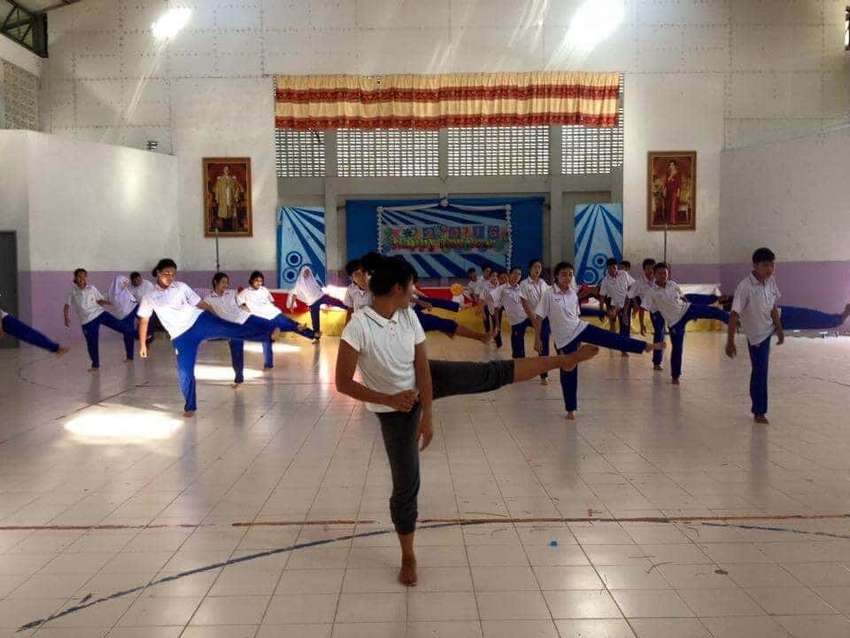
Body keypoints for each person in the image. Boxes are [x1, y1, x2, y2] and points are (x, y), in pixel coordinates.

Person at [335, 252, 600, 587]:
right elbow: (343, 383)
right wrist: (390, 399)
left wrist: (428, 414)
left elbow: (422, 369)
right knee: (406, 484)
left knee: (490, 373)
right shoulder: (358, 326)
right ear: (399, 288)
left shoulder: (408, 317)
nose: (416, 291)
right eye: (412, 286)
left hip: (423, 384)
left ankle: (563, 360)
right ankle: (408, 554)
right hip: (392, 409)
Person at [137, 259, 276, 416]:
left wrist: (216, 317)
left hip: (198, 320)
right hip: (180, 336)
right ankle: (190, 407)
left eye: (173, 274)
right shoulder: (149, 296)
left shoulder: (181, 287)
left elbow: (200, 304)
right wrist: (143, 344)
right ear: (158, 273)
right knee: (184, 371)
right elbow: (144, 320)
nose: (170, 277)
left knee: (231, 329)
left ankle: (266, 333)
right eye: (166, 273)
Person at [534, 262, 664, 420]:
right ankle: (570, 409)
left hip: (579, 328)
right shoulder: (548, 294)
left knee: (610, 338)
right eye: (563, 274)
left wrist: (599, 315)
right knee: (568, 371)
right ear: (556, 276)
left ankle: (645, 346)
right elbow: (539, 317)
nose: (567, 278)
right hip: (563, 339)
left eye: (570, 274)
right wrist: (538, 338)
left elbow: (575, 315)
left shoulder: (572, 293)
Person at [643, 262, 729, 385]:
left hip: (687, 310)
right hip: (674, 322)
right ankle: (675, 376)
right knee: (677, 348)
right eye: (660, 274)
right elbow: (649, 308)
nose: (663, 276)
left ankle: (731, 320)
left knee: (712, 311)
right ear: (655, 275)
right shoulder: (651, 292)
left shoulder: (672, 284)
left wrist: (693, 312)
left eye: (665, 273)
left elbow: (683, 298)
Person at [725, 248, 784, 425]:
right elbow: (734, 315)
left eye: (772, 265)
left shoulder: (771, 281)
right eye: (766, 265)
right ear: (755, 266)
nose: (770, 269)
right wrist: (730, 341)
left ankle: (835, 318)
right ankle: (759, 411)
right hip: (757, 336)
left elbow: (773, 306)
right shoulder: (745, 287)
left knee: (808, 316)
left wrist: (779, 328)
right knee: (760, 372)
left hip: (770, 327)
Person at [237, 271, 315, 368]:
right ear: (252, 280)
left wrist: (274, 310)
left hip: (274, 313)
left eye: (261, 281)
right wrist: (249, 311)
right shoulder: (245, 292)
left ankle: (312, 334)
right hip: (261, 318)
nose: (259, 283)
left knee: (292, 324)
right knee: (267, 339)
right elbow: (240, 304)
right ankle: (268, 363)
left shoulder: (264, 290)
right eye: (257, 281)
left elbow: (271, 301)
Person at [64, 268, 134, 370]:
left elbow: (99, 300)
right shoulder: (72, 292)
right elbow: (66, 306)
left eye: (84, 276)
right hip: (87, 321)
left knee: (123, 327)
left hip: (100, 314)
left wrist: (109, 303)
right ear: (75, 277)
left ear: (86, 277)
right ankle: (95, 365)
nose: (82, 278)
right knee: (92, 343)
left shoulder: (92, 288)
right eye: (79, 276)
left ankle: (131, 354)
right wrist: (66, 317)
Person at [203, 272, 264, 386]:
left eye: (227, 282)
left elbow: (242, 305)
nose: (226, 285)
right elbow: (206, 314)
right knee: (236, 349)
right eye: (223, 282)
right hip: (227, 327)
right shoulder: (208, 299)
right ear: (216, 282)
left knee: (238, 348)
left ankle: (239, 376)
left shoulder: (232, 293)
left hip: (241, 321)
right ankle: (239, 375)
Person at [411, 279, 490, 344]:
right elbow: (403, 296)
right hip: (408, 311)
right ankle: (480, 337)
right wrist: (420, 302)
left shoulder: (406, 279)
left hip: (413, 305)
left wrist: (427, 299)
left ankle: (459, 306)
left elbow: (415, 291)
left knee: (437, 302)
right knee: (439, 322)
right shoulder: (400, 280)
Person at [285, 265, 348, 340]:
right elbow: (294, 294)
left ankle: (347, 306)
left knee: (334, 301)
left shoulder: (311, 279)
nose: (307, 274)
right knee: (315, 320)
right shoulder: (299, 284)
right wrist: (292, 305)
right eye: (305, 272)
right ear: (302, 273)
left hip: (320, 297)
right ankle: (317, 336)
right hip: (312, 303)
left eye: (308, 272)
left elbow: (318, 288)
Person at [628, 258, 665, 370]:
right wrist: (634, 305)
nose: (650, 271)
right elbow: (630, 295)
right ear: (643, 269)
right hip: (653, 310)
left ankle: (659, 360)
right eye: (647, 268)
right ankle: (657, 362)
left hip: (665, 309)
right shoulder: (638, 283)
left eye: (652, 268)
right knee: (659, 333)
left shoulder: (659, 280)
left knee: (662, 333)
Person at [520, 259, 551, 384]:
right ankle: (520, 367)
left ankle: (544, 374)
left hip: (543, 317)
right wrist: (534, 319)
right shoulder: (524, 284)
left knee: (544, 343)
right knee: (517, 338)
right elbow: (524, 303)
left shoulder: (543, 283)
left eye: (539, 267)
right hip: (528, 317)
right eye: (535, 267)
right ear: (530, 269)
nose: (537, 270)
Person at [493, 266, 534, 361]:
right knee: (518, 348)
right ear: (509, 275)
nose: (517, 276)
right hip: (516, 322)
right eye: (515, 273)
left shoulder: (522, 288)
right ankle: (517, 364)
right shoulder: (502, 290)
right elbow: (496, 309)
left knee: (544, 326)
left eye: (519, 274)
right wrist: (497, 326)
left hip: (526, 318)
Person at [0, 306, 68, 356]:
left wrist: (0, 327)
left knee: (29, 334)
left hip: (5, 320)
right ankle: (55, 348)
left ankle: (55, 348)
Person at [599, 258, 634, 351]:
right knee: (613, 324)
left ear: (616, 267)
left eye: (614, 267)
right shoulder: (605, 280)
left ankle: (624, 347)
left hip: (626, 304)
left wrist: (630, 296)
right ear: (607, 268)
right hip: (614, 305)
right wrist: (601, 310)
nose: (613, 270)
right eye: (610, 268)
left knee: (625, 325)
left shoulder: (624, 274)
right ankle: (614, 342)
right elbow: (602, 296)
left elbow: (632, 284)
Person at [107, 275, 140, 358]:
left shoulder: (126, 292)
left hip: (132, 310)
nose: (125, 285)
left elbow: (134, 302)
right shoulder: (112, 294)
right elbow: (109, 301)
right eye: (124, 283)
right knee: (127, 334)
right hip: (124, 315)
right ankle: (129, 356)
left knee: (129, 333)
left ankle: (141, 335)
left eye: (126, 283)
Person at [344, 259, 372, 324]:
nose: (362, 277)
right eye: (357, 274)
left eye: (364, 272)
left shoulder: (376, 288)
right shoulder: (351, 289)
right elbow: (350, 310)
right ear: (352, 278)